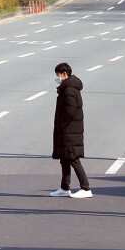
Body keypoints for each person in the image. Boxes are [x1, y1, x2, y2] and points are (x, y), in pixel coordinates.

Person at [51, 62, 92, 198]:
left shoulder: (68, 89)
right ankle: (64, 187)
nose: (57, 78)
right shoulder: (68, 87)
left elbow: (70, 111)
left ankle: (85, 188)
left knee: (73, 159)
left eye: (57, 75)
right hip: (68, 130)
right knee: (65, 159)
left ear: (64, 74)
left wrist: (62, 126)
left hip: (69, 131)